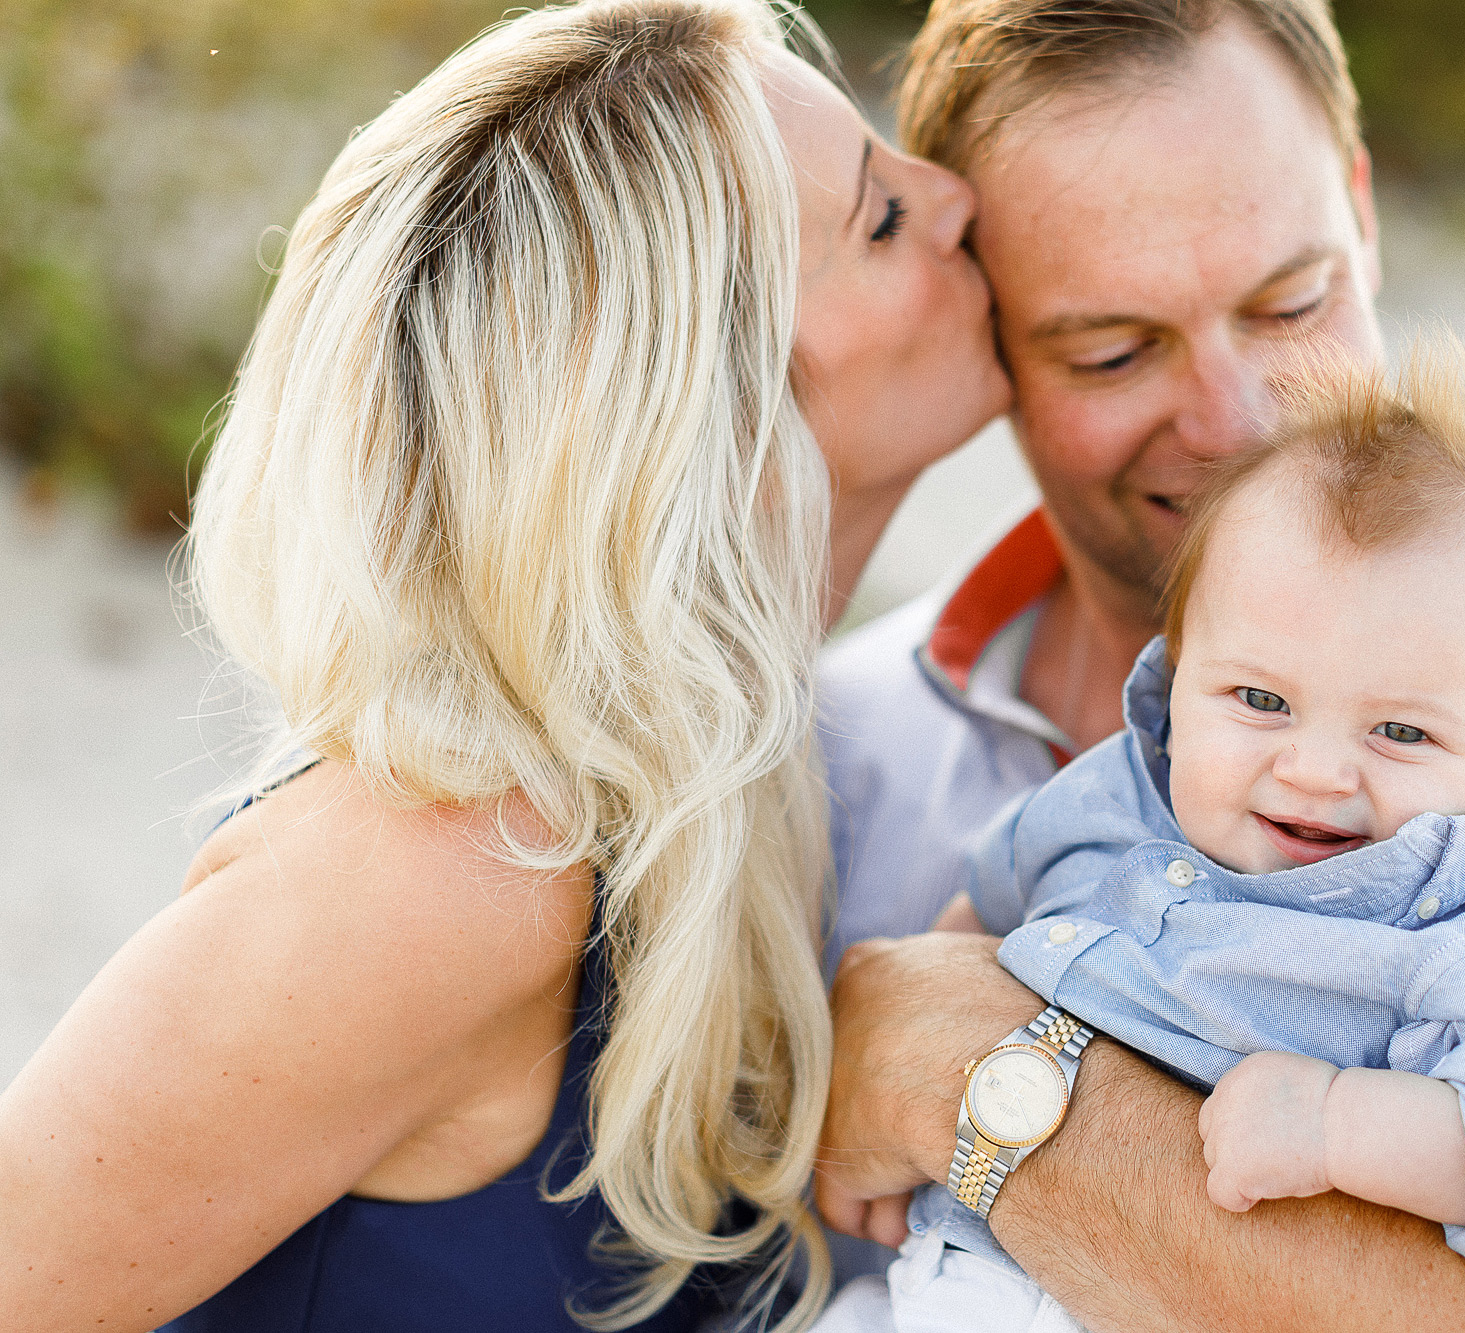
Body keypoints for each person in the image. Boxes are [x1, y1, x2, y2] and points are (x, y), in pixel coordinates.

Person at [811, 0, 1465, 1328]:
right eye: (1112, 350)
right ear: (996, 342)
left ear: (1361, 213)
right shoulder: (842, 736)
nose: (1241, 422)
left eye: (1291, 301)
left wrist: (978, 1070)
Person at [0, 1, 1007, 1329]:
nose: (954, 193)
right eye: (878, 218)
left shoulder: (729, 798)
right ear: (714, 414)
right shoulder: (448, 867)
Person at [819, 343, 1465, 1333]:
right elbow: (975, 924)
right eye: (1260, 699)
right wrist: (916, 1112)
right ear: (1178, 676)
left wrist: (1335, 1126)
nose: (1314, 770)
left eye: (1399, 731)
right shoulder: (1109, 800)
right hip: (947, 1272)